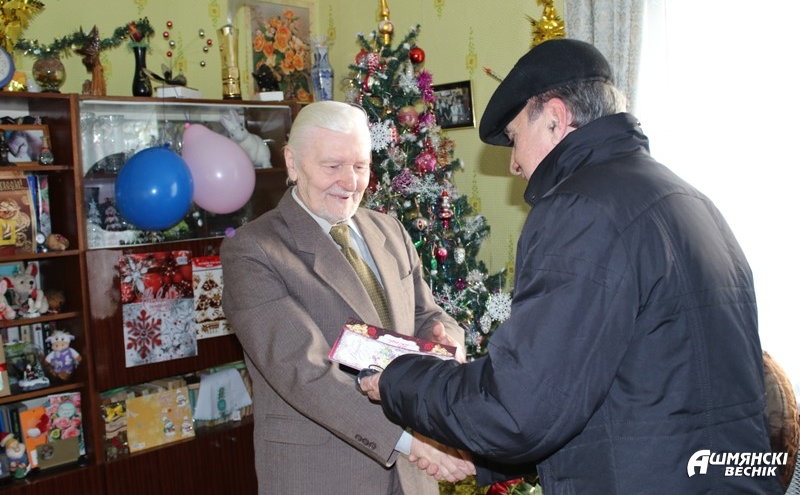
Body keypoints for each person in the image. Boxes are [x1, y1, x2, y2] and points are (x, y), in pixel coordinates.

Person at [360, 39, 781, 493]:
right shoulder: (688, 199)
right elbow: (618, 390)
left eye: (515, 139)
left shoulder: (582, 210)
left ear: (556, 119)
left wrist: (398, 377)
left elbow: (519, 407)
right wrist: (480, 460)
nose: (514, 164)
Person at [220, 100, 474, 495]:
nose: (351, 182)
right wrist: (408, 441)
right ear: (292, 163)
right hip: (324, 474)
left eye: (360, 166)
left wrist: (447, 345)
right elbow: (302, 371)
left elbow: (428, 315)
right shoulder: (254, 250)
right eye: (333, 166)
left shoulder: (389, 231)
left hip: (415, 476)